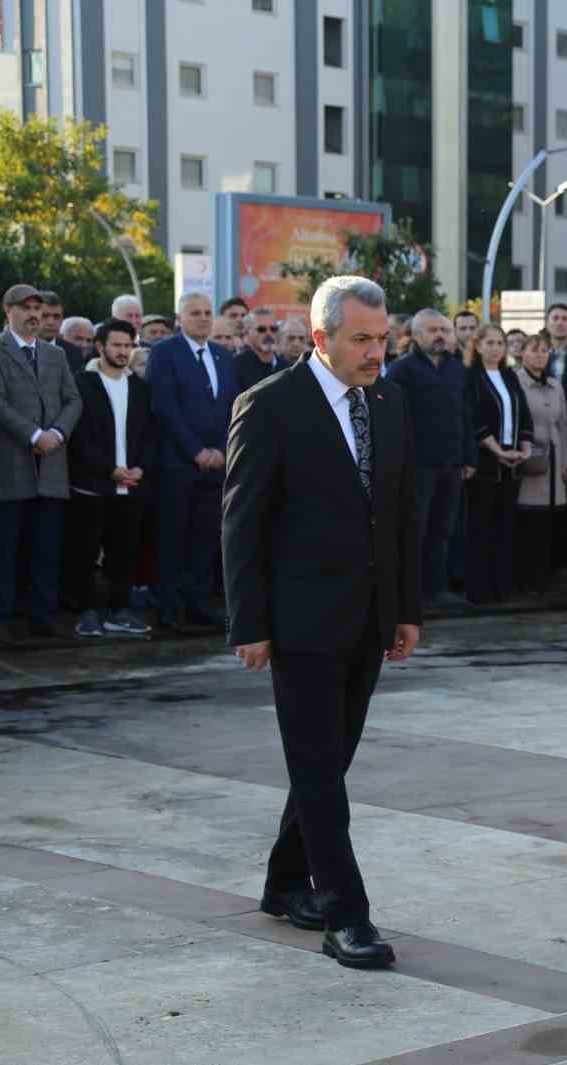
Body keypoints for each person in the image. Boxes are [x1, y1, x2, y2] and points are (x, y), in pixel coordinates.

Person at [224, 275, 421, 970]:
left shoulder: (390, 402)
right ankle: (346, 912)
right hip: (299, 622)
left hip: (369, 619)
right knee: (318, 770)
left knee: (326, 764)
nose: (376, 351)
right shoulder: (270, 406)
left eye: (382, 337)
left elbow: (398, 516)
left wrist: (406, 610)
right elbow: (243, 523)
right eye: (361, 339)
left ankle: (285, 884)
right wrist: (249, 622)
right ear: (320, 338)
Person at [0, 284, 77, 644]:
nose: (34, 314)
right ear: (8, 310)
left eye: (38, 307)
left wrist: (58, 434)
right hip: (10, 463)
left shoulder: (55, 355)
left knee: (46, 547)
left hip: (52, 464)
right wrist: (34, 436)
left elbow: (72, 399)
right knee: (4, 548)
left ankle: (42, 616)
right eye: (26, 308)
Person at [148, 291, 236, 632]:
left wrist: (223, 450)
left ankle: (198, 605)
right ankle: (170, 610)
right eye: (195, 313)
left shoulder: (222, 355)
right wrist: (196, 451)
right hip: (178, 465)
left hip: (217, 466)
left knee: (205, 539)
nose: (203, 318)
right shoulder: (164, 353)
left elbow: (232, 406)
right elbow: (165, 408)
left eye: (207, 312)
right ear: (180, 318)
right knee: (173, 539)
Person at [66, 317, 155, 637]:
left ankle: (120, 610)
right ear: (100, 347)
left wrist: (140, 469)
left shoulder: (141, 388)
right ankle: (86, 612)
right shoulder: (81, 384)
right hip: (92, 485)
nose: (122, 351)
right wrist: (109, 469)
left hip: (131, 486)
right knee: (85, 552)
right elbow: (78, 437)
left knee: (125, 552)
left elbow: (149, 435)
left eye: (128, 346)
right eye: (116, 345)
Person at [385, 309, 476, 608]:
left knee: (442, 529)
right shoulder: (402, 370)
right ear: (416, 334)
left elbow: (464, 414)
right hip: (417, 465)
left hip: (451, 463)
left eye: (445, 330)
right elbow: (395, 420)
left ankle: (435, 589)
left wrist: (468, 456)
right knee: (414, 530)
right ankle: (409, 594)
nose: (440, 335)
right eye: (433, 330)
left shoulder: (457, 369)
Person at [463, 324, 532, 604]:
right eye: (489, 343)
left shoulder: (509, 376)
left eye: (500, 343)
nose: (495, 348)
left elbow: (523, 413)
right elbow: (473, 416)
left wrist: (524, 446)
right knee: (480, 526)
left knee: (505, 525)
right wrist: (495, 448)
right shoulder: (471, 378)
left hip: (512, 462)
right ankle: (480, 589)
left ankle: (502, 586)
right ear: (478, 347)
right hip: (485, 463)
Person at [514, 331, 567, 596]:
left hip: (555, 459)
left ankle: (544, 578)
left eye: (544, 350)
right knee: (529, 522)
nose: (540, 355)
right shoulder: (515, 381)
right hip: (530, 459)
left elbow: (564, 425)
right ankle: (526, 578)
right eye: (534, 349)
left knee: (550, 521)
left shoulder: (555, 384)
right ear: (523, 353)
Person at [233, 307, 288, 394]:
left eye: (273, 329)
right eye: (261, 329)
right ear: (247, 332)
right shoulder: (235, 366)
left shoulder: (287, 367)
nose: (269, 333)